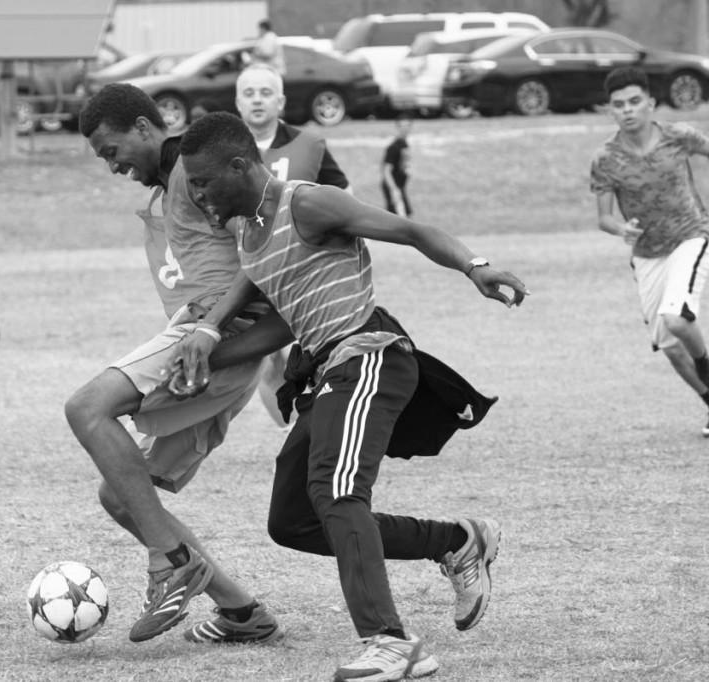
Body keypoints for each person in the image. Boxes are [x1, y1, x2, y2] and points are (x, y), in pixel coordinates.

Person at [174, 111, 529, 681]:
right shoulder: (248, 229)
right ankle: (460, 541)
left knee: (337, 493)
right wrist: (209, 337)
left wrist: (474, 265)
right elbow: (277, 303)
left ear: (239, 165)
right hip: (325, 374)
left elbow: (410, 231)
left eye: (201, 182)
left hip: (368, 356)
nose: (194, 195)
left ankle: (391, 643)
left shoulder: (308, 204)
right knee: (293, 520)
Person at [66, 83, 289, 645]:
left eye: (112, 151)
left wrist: (210, 329)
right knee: (122, 496)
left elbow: (266, 249)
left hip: (214, 338)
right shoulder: (172, 187)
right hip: (218, 350)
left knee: (87, 408)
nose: (113, 166)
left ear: (145, 128)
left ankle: (172, 562)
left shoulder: (198, 174)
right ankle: (242, 614)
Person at [591, 67, 709, 436]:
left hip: (691, 236)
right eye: (618, 105)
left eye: (634, 102)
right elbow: (604, 218)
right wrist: (621, 229)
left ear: (650, 104)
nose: (627, 110)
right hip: (647, 255)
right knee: (671, 346)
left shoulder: (678, 136)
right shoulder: (606, 159)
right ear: (610, 110)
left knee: (677, 318)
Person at [236, 63, 352, 426]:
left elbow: (345, 199)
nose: (257, 100)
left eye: (265, 93)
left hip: (301, 274)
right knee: (267, 358)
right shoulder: (221, 149)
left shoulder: (309, 146)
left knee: (314, 354)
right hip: (245, 275)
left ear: (281, 101)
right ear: (237, 103)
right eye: (249, 93)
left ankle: (321, 425)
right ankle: (290, 434)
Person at [381, 114, 412, 218]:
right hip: (394, 186)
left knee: (406, 215)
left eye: (408, 126)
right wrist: (394, 190)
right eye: (403, 126)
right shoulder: (393, 147)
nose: (406, 129)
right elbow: (386, 171)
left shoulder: (404, 144)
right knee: (400, 219)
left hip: (400, 186)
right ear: (398, 127)